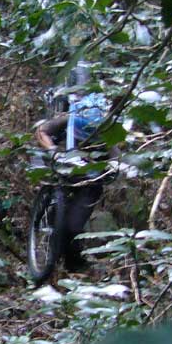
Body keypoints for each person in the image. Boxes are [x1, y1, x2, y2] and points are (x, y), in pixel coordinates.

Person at [34, 64, 113, 271]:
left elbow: (116, 158)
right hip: (64, 172)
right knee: (55, 213)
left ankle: (74, 263)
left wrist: (112, 168)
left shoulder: (108, 132)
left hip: (90, 182)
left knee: (73, 227)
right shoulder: (70, 119)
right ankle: (52, 256)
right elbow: (42, 131)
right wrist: (53, 150)